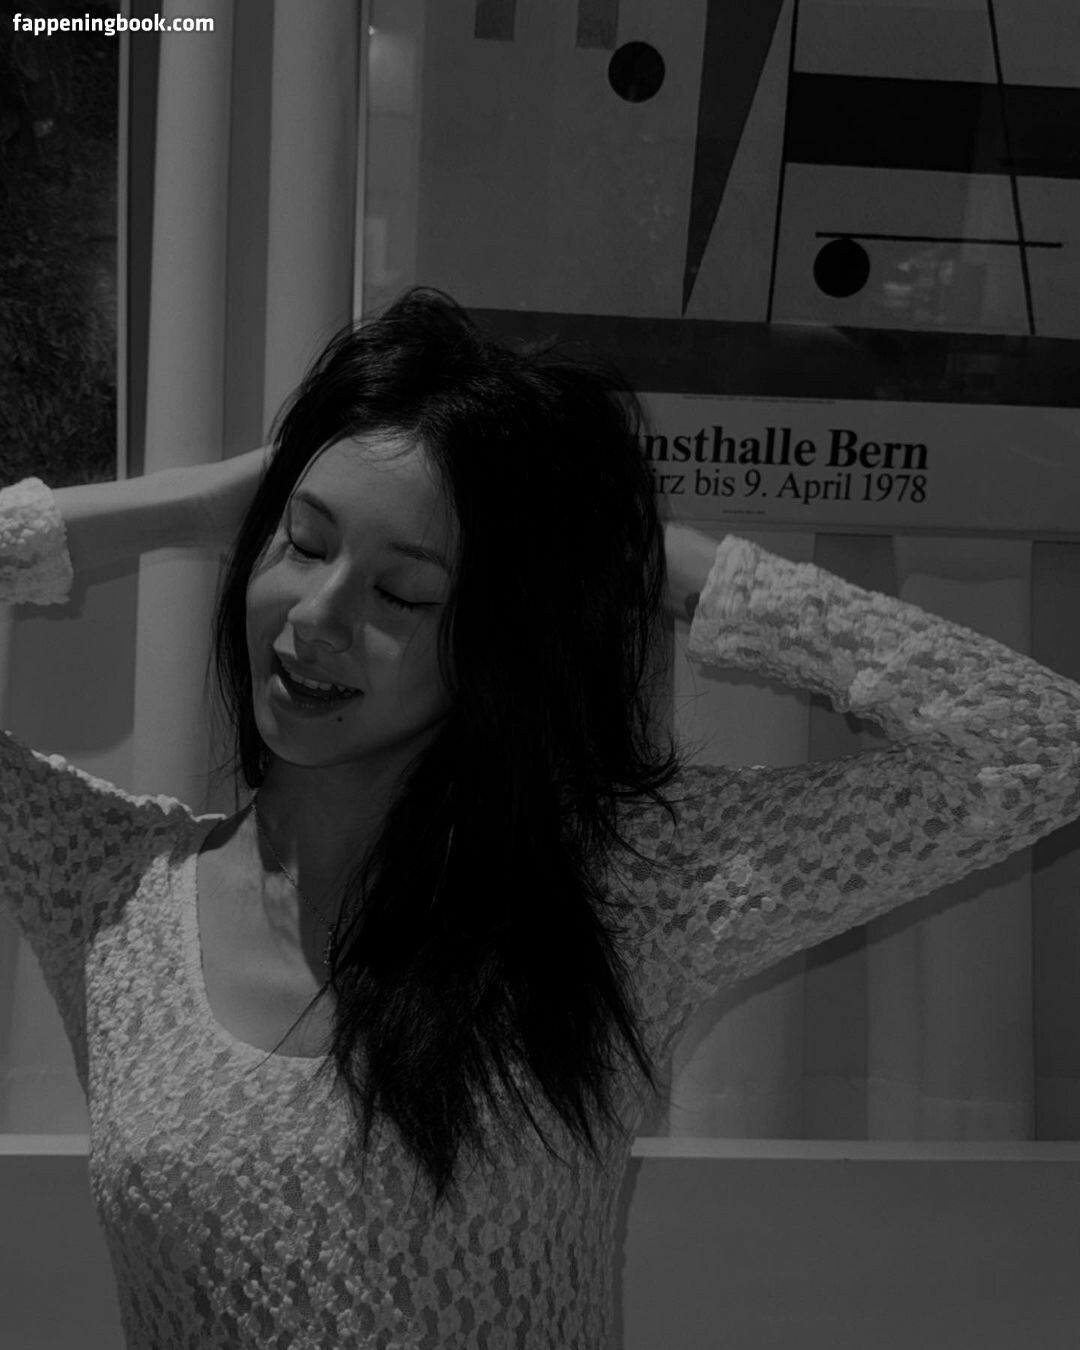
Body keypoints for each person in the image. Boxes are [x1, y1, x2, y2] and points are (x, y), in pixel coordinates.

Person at [2, 287, 1079, 1349]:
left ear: (498, 643)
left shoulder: (624, 888)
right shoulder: (107, 886)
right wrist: (195, 508)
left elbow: (1038, 746)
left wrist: (650, 559)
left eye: (402, 595)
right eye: (305, 543)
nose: (320, 618)